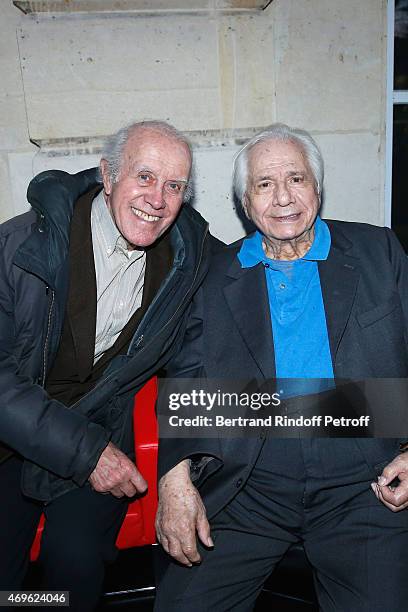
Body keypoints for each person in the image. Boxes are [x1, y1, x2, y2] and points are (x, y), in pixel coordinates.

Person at [155, 123, 408, 612]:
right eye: (265, 185)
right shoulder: (212, 276)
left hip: (364, 483)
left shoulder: (380, 253)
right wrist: (175, 478)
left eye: (296, 178)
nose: (284, 198)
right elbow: (186, 378)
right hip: (250, 483)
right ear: (246, 204)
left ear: (317, 187)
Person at [0, 120, 214, 610]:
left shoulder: (189, 258)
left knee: (73, 563)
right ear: (107, 176)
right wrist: (87, 454)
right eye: (144, 177)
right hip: (10, 438)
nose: (157, 200)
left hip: (99, 426)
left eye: (174, 186)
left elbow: (236, 300)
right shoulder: (17, 249)